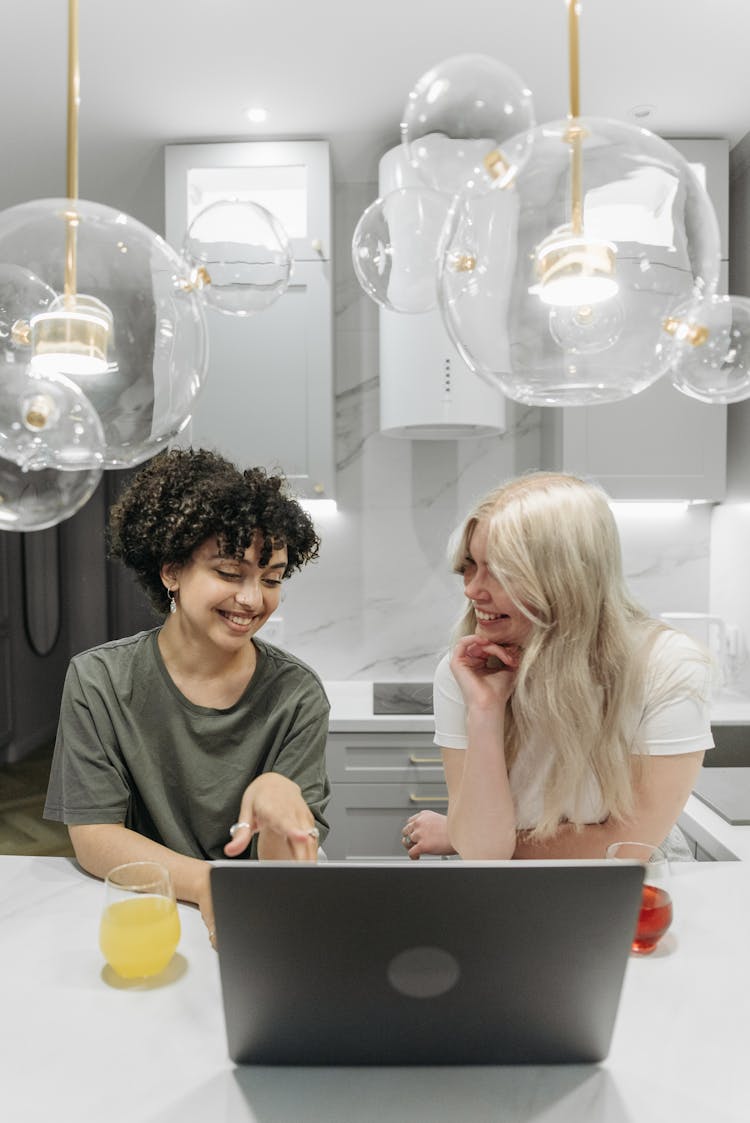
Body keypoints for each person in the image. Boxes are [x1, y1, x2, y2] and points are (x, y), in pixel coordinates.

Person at [44, 448, 330, 943]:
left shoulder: (296, 695)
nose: (253, 599)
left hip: (252, 918)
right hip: (144, 909)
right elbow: (94, 836)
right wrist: (207, 883)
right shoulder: (100, 680)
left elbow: (284, 870)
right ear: (172, 570)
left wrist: (277, 801)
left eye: (272, 578)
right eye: (229, 572)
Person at [401, 471, 713, 862]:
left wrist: (462, 835)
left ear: (568, 577)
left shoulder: (666, 665)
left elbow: (630, 846)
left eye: (498, 569)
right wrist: (485, 710)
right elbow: (483, 853)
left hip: (628, 891)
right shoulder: (467, 671)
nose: (471, 589)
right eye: (469, 565)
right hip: (506, 891)